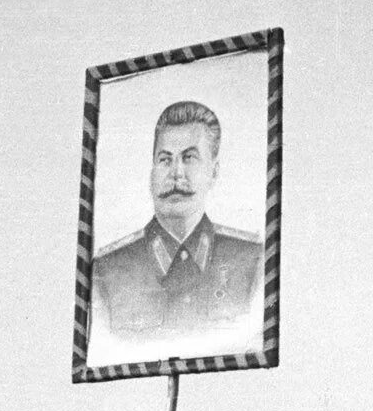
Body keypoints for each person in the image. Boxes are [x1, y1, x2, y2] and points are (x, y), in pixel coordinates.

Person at [89, 100, 262, 360]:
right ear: (151, 172)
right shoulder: (108, 271)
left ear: (214, 172)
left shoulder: (252, 261)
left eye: (189, 158)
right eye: (164, 159)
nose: (175, 173)